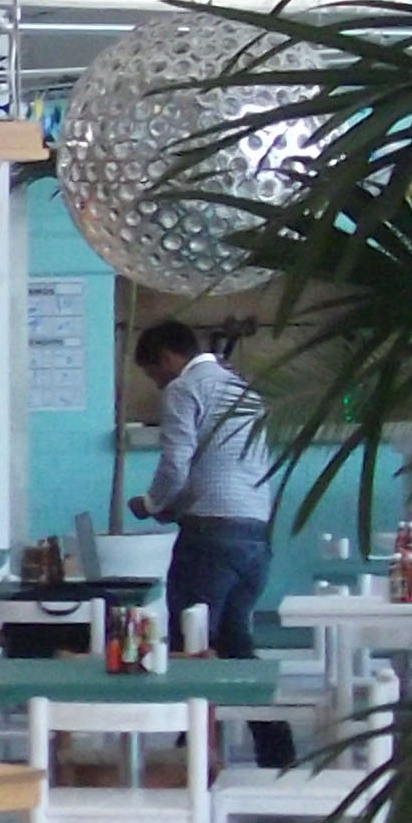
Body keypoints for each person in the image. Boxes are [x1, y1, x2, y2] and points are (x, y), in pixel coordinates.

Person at [129, 319, 289, 759]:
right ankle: (274, 744)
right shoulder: (244, 389)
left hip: (210, 539)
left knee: (191, 645)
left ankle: (191, 755)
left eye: (154, 373)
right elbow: (230, 467)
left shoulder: (185, 389)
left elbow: (176, 462)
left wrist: (152, 503)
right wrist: (176, 506)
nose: (158, 384)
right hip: (254, 535)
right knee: (234, 644)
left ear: (167, 357)